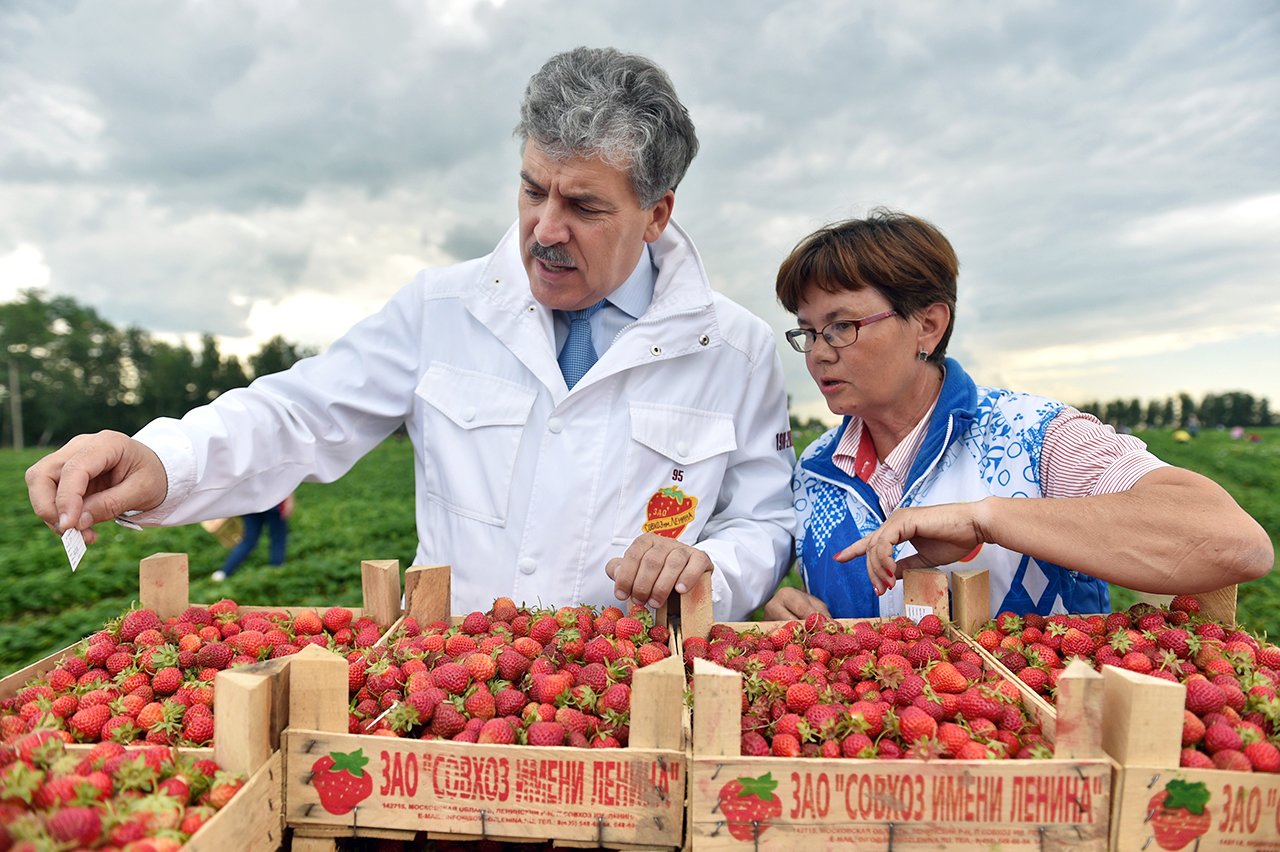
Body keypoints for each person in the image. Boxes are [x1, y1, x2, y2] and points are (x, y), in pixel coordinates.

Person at [25, 47, 796, 621]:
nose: (544, 229)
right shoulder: (444, 307)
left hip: (635, 693)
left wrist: (709, 566)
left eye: (585, 207)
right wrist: (162, 457)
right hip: (448, 692)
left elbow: (762, 521)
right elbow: (301, 413)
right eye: (532, 191)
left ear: (657, 212)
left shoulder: (733, 349)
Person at [764, 210, 1273, 620]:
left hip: (1040, 735)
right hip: (874, 741)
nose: (818, 353)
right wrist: (789, 613)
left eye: (841, 326)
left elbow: (1235, 544)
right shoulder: (816, 467)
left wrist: (986, 517)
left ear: (928, 326)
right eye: (807, 332)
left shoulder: (1034, 436)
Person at [211, 493, 295, 582]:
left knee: (248, 541)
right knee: (278, 540)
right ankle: (275, 572)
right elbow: (284, 481)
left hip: (250, 504)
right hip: (274, 502)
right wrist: (289, 501)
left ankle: (224, 572)